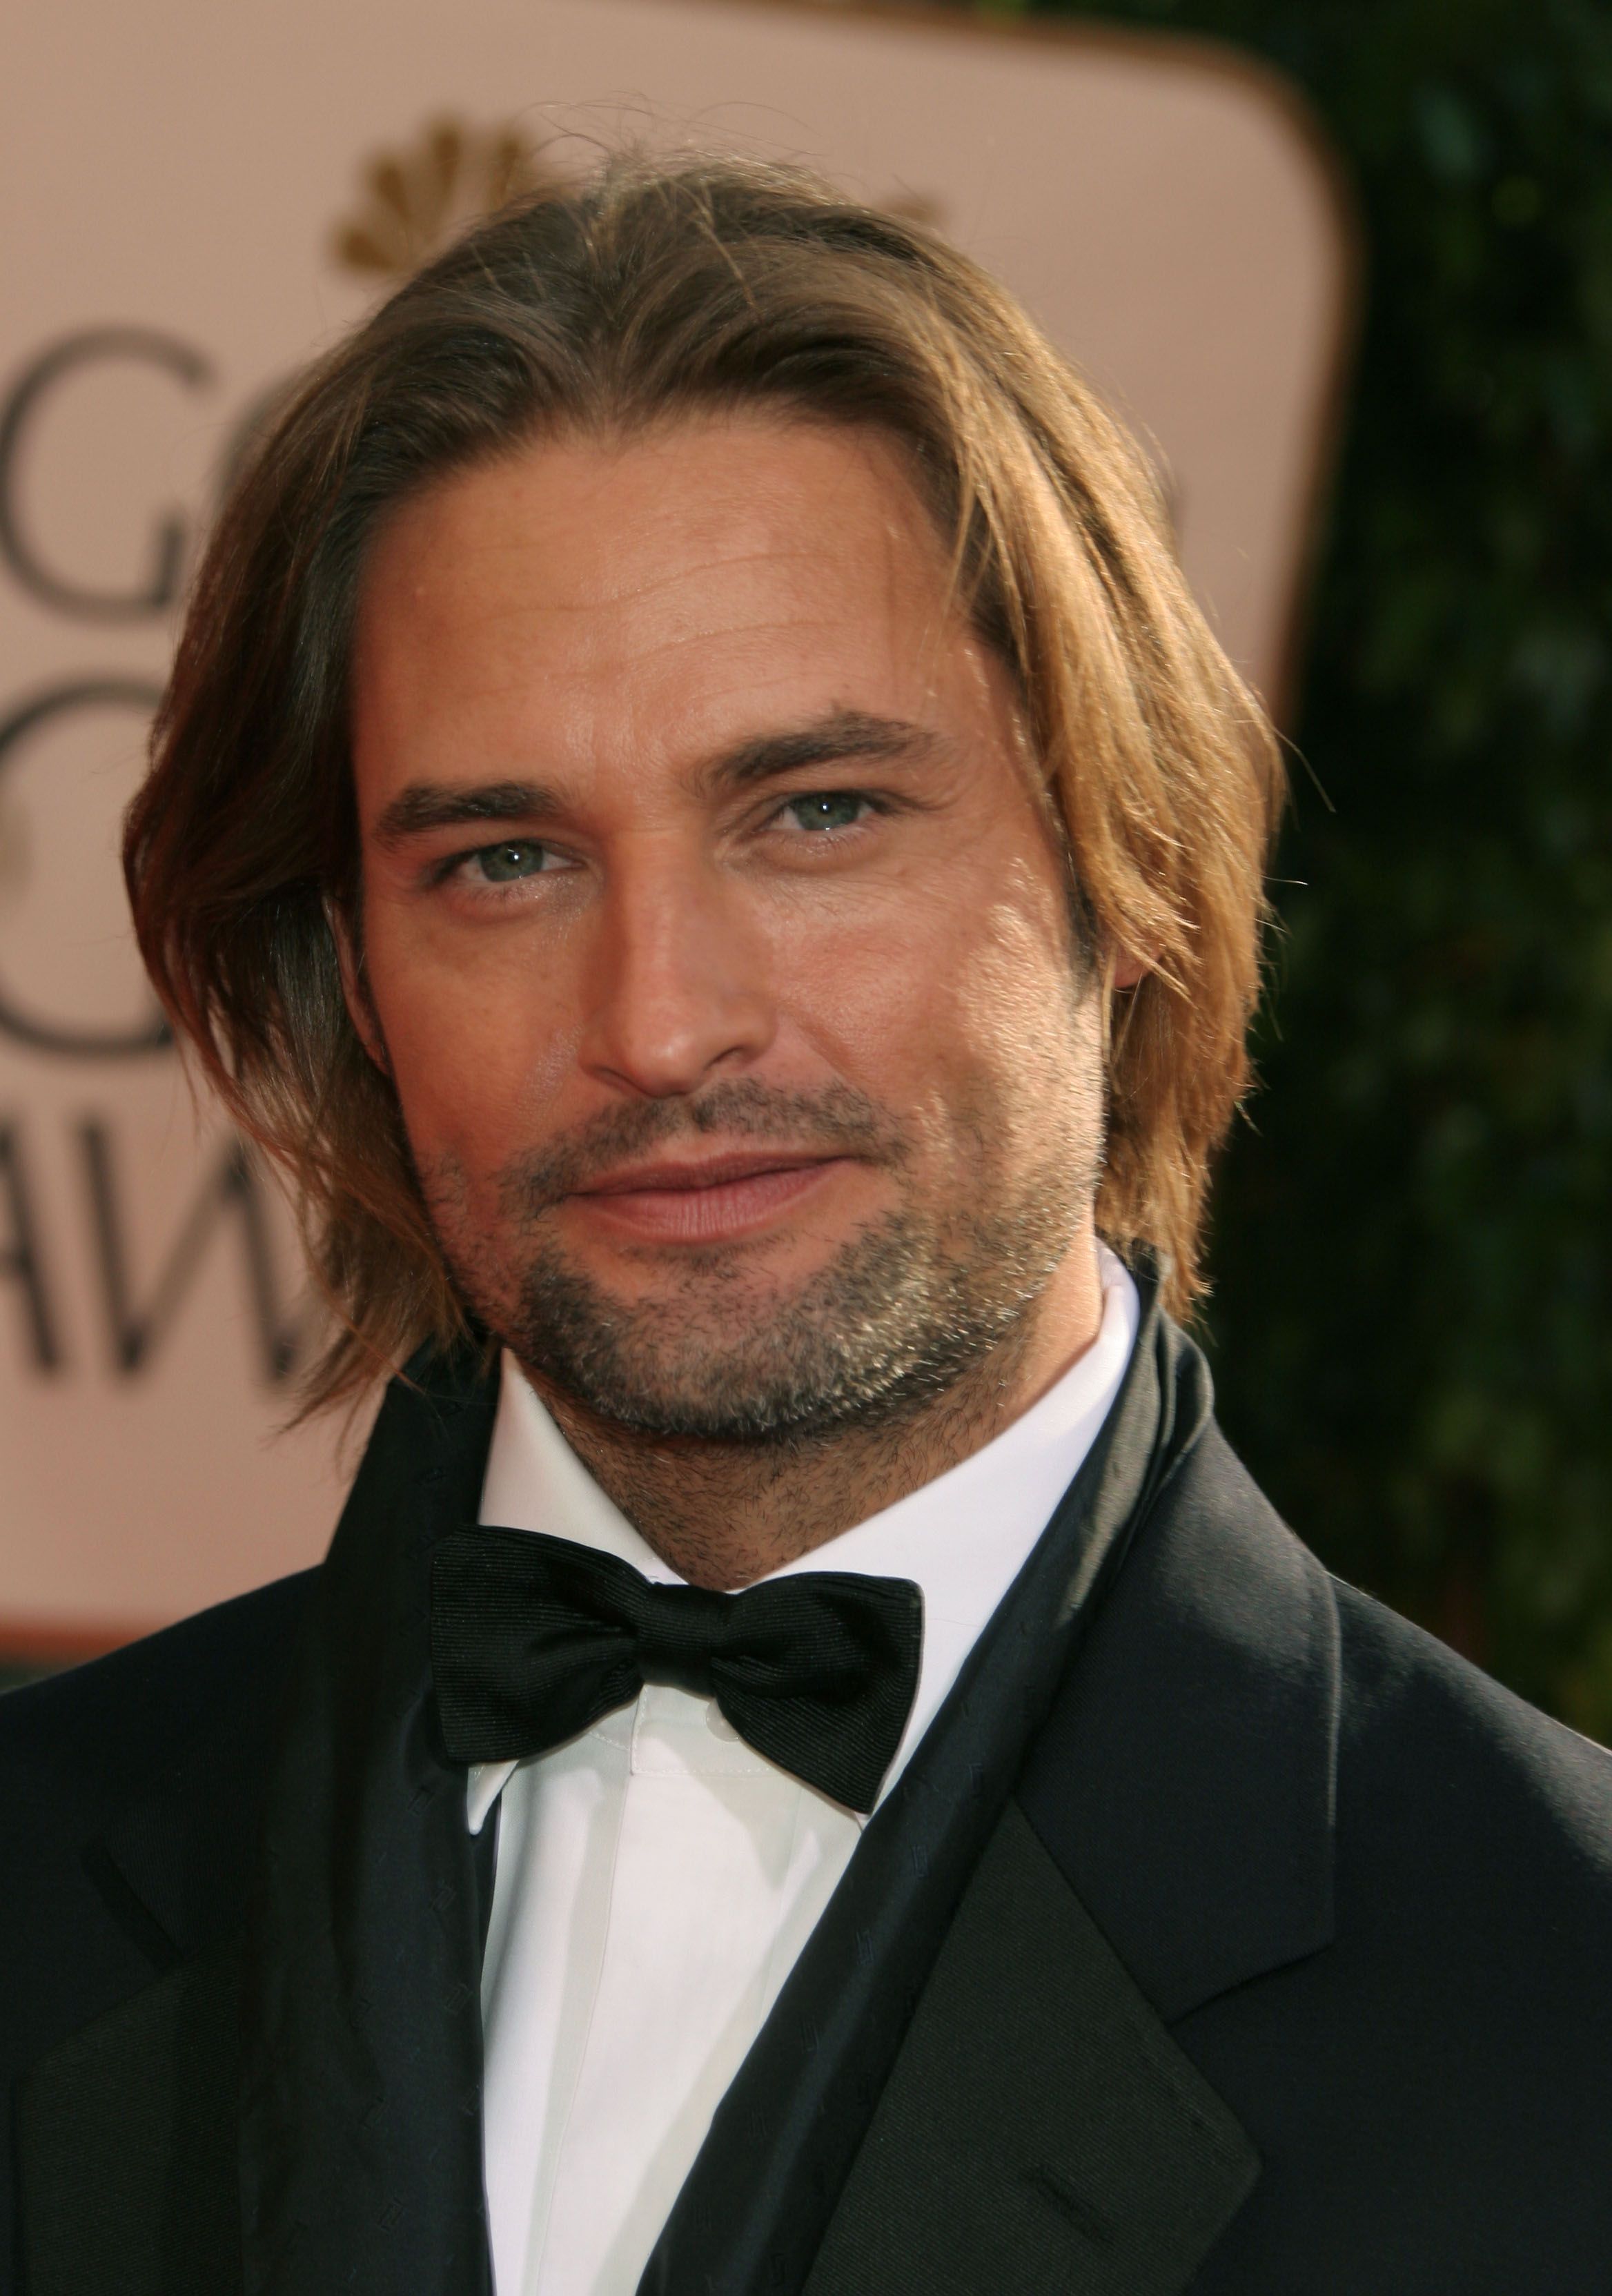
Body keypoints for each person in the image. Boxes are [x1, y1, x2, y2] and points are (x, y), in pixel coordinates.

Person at [3, 154, 1609, 2296]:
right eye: (501, 858)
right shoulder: (35, 1878)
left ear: (1124, 877)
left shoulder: (1556, 1996)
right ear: (346, 982)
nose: (658, 1022)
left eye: (818, 812)